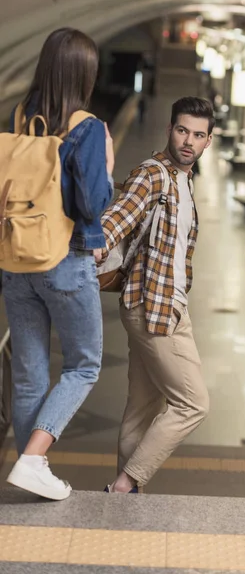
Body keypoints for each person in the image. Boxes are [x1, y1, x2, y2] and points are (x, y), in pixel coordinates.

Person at [4, 28, 114, 500]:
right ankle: (33, 459)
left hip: (15, 260)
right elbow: (92, 204)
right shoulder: (86, 128)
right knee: (84, 365)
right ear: (84, 74)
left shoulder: (20, 118)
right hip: (64, 261)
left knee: (30, 374)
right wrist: (106, 164)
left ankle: (32, 469)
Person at [100, 96, 213, 493]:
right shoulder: (153, 174)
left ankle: (122, 500)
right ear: (169, 130)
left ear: (208, 142)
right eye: (182, 130)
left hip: (162, 302)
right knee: (193, 403)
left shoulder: (185, 179)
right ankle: (127, 484)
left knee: (142, 410)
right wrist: (93, 245)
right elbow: (118, 217)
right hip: (155, 307)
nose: (188, 141)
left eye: (198, 135)